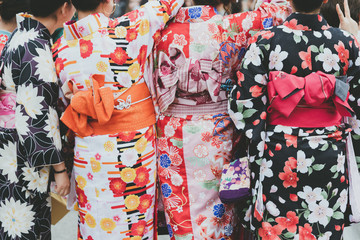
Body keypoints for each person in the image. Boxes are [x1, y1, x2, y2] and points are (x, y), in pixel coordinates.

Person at [153, 0, 291, 239]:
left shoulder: (156, 30)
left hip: (171, 132)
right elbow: (280, 10)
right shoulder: (231, 26)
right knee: (221, 207)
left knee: (181, 208)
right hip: (217, 131)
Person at [53, 0, 184, 239]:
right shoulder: (129, 28)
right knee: (135, 223)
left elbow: (63, 104)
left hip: (89, 152)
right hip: (133, 147)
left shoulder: (60, 49)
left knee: (96, 219)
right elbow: (169, 3)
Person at [229, 0, 360, 238]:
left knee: (279, 228)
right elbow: (356, 102)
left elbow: (245, 104)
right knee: (323, 226)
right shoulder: (346, 42)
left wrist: (257, 148)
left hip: (279, 153)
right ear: (325, 1)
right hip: (330, 152)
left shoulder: (265, 40)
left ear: (289, 0)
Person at [0, 0, 75, 239]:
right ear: (64, 8)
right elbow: (38, 114)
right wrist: (59, 168)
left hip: (11, 144)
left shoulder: (21, 33)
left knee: (14, 221)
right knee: (26, 223)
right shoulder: (35, 45)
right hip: (24, 151)